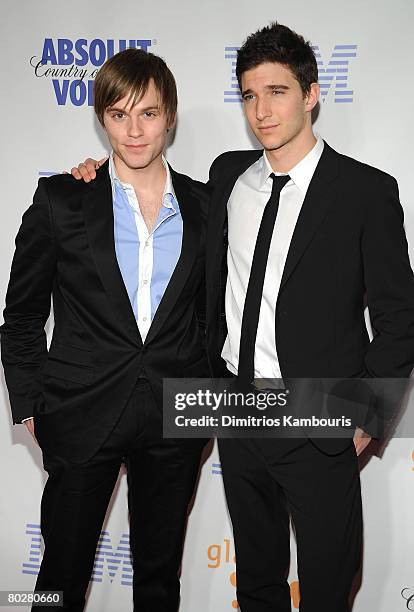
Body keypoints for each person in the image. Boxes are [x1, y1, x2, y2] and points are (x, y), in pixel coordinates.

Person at [71, 22, 414, 612]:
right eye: (250, 95)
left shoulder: (365, 191)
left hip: (318, 410)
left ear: (310, 95)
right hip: (236, 405)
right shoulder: (229, 177)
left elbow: (399, 314)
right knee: (256, 581)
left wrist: (367, 414)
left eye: (277, 92)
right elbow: (149, 185)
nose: (262, 110)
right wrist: (95, 177)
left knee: (329, 587)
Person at [1, 48, 209, 612]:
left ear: (170, 116)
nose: (134, 130)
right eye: (118, 115)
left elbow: (210, 316)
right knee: (57, 580)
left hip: (175, 416)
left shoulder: (205, 205)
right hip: (79, 411)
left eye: (147, 113)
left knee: (160, 577)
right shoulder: (63, 199)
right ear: (101, 119)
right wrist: (28, 403)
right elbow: (20, 316)